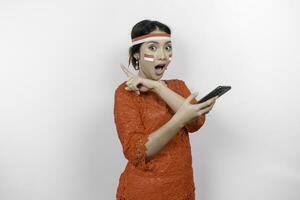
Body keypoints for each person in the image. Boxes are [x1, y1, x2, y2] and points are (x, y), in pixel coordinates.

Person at [114, 19, 217, 200]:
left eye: (168, 47)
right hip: (144, 193)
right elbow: (137, 153)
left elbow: (196, 123)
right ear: (137, 54)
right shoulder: (126, 93)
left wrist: (158, 87)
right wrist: (178, 120)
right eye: (153, 48)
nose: (163, 55)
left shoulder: (177, 86)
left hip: (182, 189)